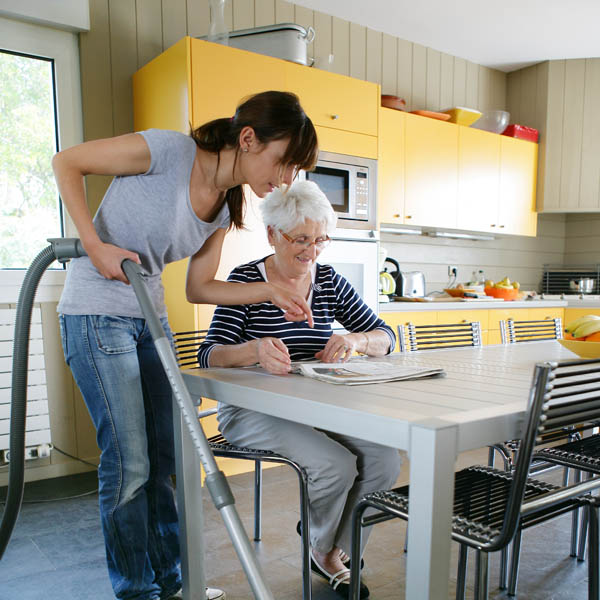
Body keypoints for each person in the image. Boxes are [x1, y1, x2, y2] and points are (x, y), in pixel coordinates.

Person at [53, 91, 318, 600]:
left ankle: (174, 583)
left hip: (147, 316)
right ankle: (136, 591)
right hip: (95, 312)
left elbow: (200, 289)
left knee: (167, 457)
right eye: (284, 163)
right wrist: (93, 244)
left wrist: (270, 288)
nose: (286, 180)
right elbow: (67, 161)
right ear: (248, 139)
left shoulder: (227, 205)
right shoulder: (167, 152)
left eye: (295, 170)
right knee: (130, 462)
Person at [197, 180, 402, 599]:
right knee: (335, 465)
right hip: (250, 410)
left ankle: (327, 543)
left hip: (315, 405)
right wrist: (253, 350)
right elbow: (209, 355)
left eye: (320, 240)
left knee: (384, 458)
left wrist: (357, 341)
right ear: (272, 234)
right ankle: (326, 553)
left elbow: (385, 335)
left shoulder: (327, 281)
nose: (312, 251)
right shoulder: (245, 283)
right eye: (301, 240)